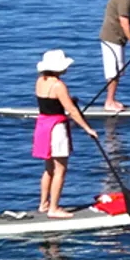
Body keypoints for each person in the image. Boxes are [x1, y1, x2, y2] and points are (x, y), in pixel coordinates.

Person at [32, 49, 98, 218]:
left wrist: (68, 101)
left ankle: (43, 204)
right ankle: (54, 208)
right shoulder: (59, 85)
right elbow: (72, 111)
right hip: (56, 128)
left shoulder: (40, 81)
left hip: (42, 127)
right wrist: (88, 128)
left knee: (48, 169)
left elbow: (50, 103)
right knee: (60, 169)